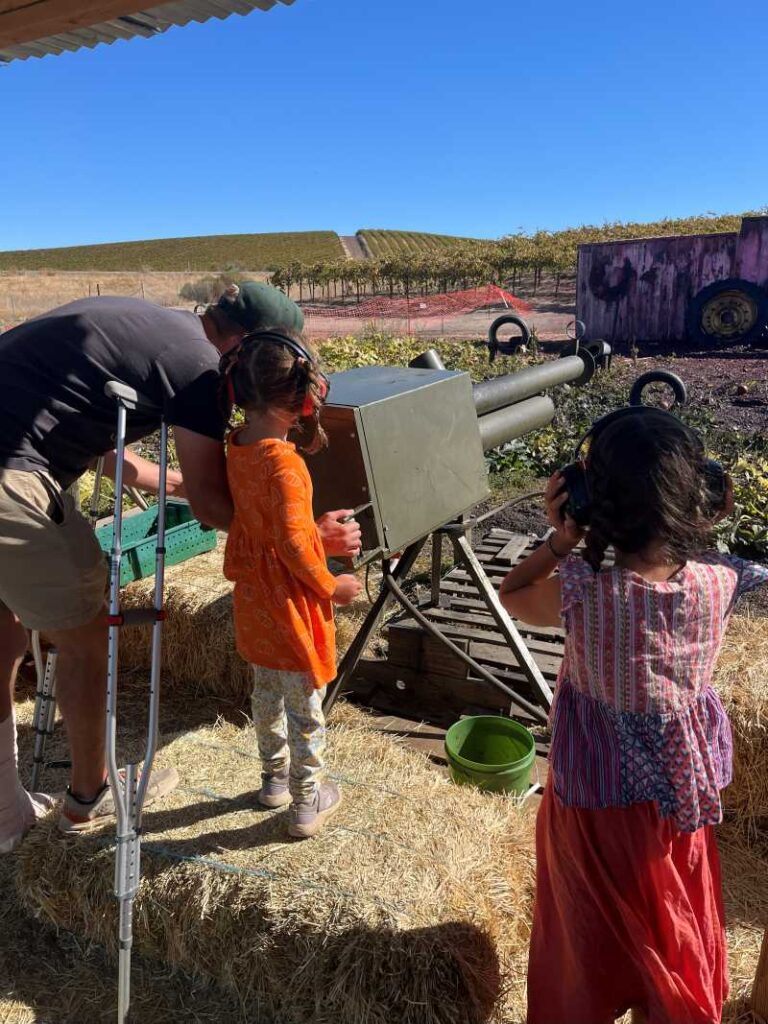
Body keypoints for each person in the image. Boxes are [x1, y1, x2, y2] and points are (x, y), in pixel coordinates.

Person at [0, 281, 362, 853]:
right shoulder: (201, 368)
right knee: (86, 634)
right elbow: (213, 508)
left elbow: (97, 440)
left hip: (13, 444)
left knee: (0, 639)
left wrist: (179, 484)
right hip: (10, 477)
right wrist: (311, 536)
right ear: (245, 343)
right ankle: (90, 797)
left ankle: (4, 811)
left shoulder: (155, 327)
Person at [498, 410, 768, 1024]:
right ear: (701, 494)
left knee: (584, 934)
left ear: (592, 500)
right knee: (667, 928)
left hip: (592, 806)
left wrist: (560, 541)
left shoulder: (583, 588)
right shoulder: (719, 582)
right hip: (678, 805)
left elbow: (511, 596)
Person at [221, 329, 362, 838]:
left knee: (265, 696)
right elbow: (298, 548)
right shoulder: (287, 465)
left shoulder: (236, 444)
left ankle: (273, 782)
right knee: (306, 710)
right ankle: (306, 805)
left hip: (254, 601)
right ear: (305, 396)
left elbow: (273, 531)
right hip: (290, 608)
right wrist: (333, 587)